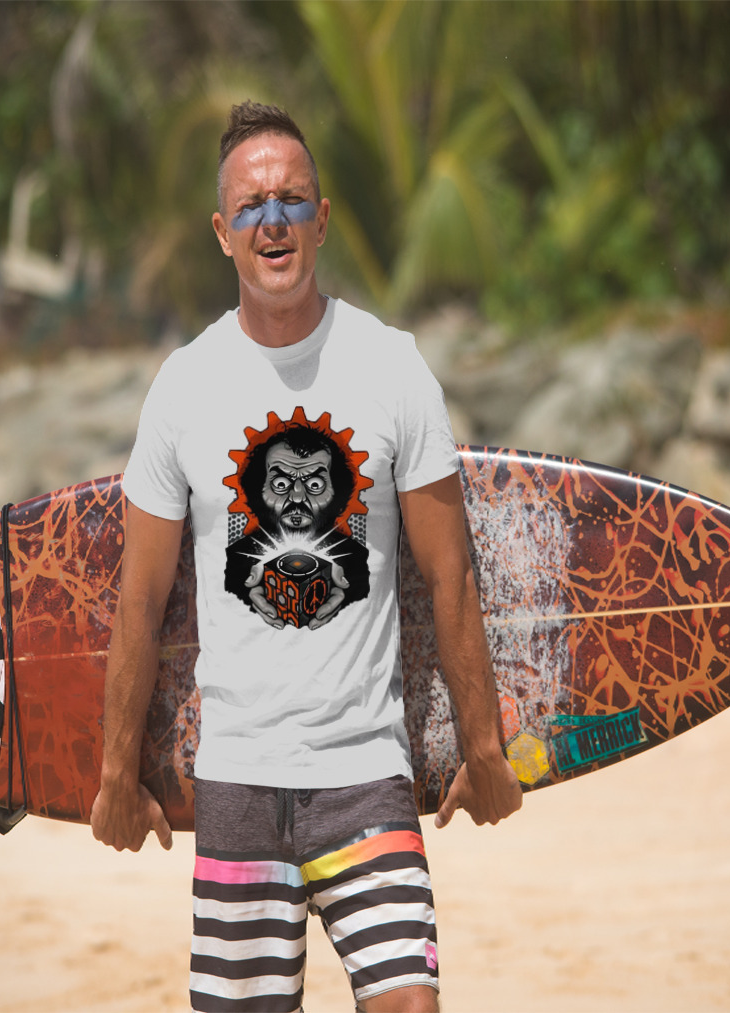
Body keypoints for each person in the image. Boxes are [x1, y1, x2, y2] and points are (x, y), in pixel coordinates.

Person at [91, 100, 522, 1013]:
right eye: (251, 206)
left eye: (292, 200)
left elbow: (451, 575)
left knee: (411, 1003)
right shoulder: (184, 387)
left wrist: (483, 746)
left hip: (366, 773)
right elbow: (140, 601)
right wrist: (113, 773)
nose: (273, 220)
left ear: (322, 219)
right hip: (239, 780)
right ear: (222, 232)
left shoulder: (393, 367)